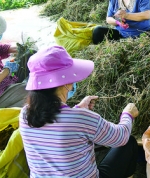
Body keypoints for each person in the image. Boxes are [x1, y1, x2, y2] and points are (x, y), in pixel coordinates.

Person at [19, 46, 139, 178]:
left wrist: (77, 109)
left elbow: (59, 124)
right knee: (129, 142)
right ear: (66, 83)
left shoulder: (25, 114)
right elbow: (120, 137)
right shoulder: (82, 119)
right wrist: (128, 115)